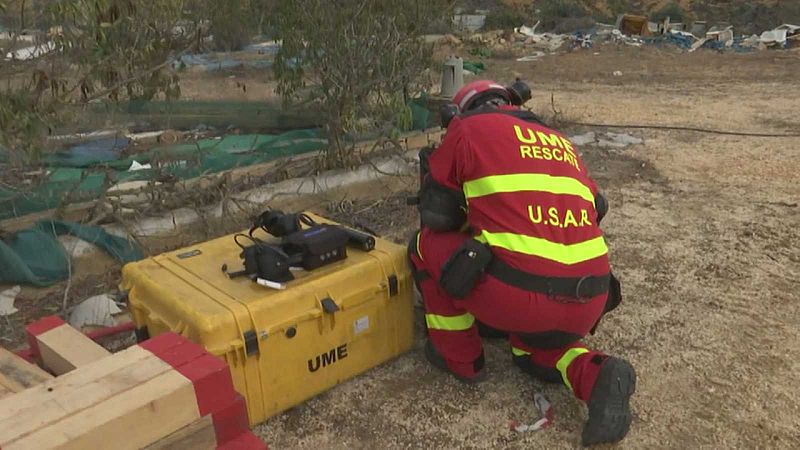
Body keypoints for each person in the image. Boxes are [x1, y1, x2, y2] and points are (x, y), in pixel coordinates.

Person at [408, 79, 635, 446]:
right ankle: (597, 374)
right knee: (531, 349)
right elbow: (598, 207)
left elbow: (439, 215)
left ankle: (459, 357)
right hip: (590, 296)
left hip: (516, 296)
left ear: (463, 109)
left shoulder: (467, 129)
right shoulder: (561, 142)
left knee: (424, 244)